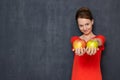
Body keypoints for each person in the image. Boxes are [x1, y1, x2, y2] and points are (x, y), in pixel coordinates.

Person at [70, 7, 105, 80]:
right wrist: (78, 48)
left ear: (92, 21)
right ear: (78, 25)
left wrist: (95, 42)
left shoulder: (99, 38)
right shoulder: (75, 39)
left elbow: (100, 41)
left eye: (87, 24)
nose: (85, 28)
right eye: (81, 25)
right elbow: (75, 42)